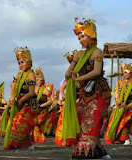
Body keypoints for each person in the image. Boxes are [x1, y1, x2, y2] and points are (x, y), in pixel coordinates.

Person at [64, 18, 111, 159]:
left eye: (82, 36)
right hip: (85, 95)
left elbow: (96, 72)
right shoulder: (78, 54)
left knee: (91, 124)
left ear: (91, 35)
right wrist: (69, 74)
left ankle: (90, 152)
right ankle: (101, 154)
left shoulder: (98, 52)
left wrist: (78, 78)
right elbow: (68, 72)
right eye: (79, 38)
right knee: (79, 122)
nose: (80, 40)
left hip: (99, 94)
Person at [4, 46, 38, 150]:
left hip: (29, 103)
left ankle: (22, 144)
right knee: (17, 122)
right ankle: (25, 144)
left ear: (29, 62)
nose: (21, 65)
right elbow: (13, 88)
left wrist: (21, 100)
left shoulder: (31, 75)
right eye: (19, 63)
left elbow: (31, 92)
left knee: (20, 122)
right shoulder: (18, 75)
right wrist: (11, 99)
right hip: (19, 102)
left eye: (22, 62)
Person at [104, 64, 132, 145]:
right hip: (122, 107)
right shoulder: (122, 83)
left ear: (130, 73)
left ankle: (126, 138)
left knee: (124, 121)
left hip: (129, 107)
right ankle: (124, 138)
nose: (124, 75)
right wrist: (118, 100)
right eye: (123, 73)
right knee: (116, 121)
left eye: (126, 72)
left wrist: (127, 106)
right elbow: (119, 93)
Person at [33, 68, 53, 143]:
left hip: (43, 110)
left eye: (39, 80)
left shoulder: (45, 90)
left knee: (38, 123)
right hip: (36, 109)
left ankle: (39, 138)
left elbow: (50, 101)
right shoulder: (34, 89)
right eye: (36, 80)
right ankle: (36, 139)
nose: (37, 81)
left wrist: (41, 106)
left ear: (42, 81)